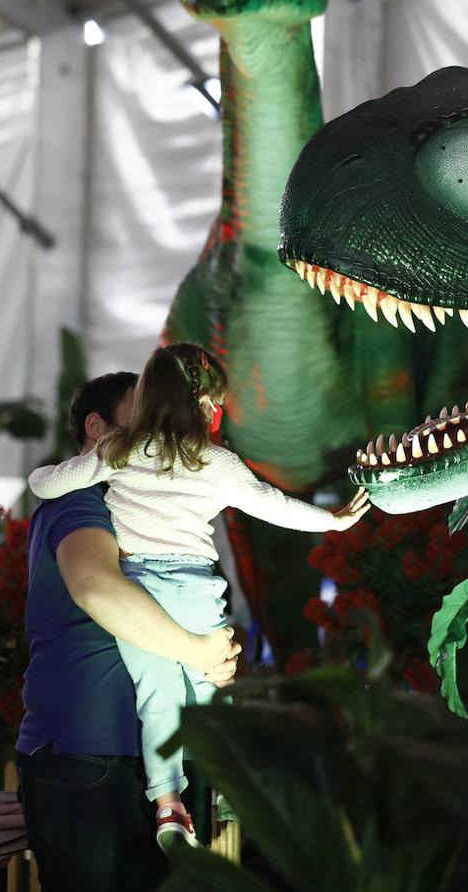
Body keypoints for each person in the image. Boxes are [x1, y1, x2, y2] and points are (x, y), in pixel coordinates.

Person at [27, 343, 370, 849]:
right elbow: (274, 506)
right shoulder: (218, 462)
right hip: (194, 584)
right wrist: (333, 519)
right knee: (209, 689)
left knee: (158, 697)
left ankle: (168, 804)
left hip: (140, 582)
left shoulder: (117, 451)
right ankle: (228, 785)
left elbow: (49, 484)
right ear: (203, 406)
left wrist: (45, 473)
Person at [16, 370, 240, 892]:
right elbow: (96, 586)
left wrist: (215, 654)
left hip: (156, 756)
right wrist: (200, 651)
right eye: (143, 412)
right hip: (90, 754)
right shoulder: (82, 499)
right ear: (97, 429)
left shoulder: (152, 507)